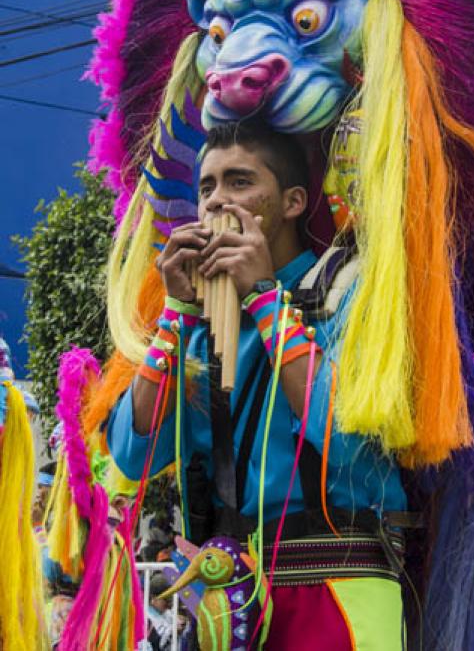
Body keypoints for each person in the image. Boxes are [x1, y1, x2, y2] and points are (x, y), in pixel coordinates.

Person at [106, 121, 408, 650]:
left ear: (293, 202)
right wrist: (175, 311)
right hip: (230, 600)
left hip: (339, 588)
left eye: (240, 182)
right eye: (206, 188)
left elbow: (353, 449)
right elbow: (133, 457)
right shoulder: (197, 324)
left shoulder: (348, 289)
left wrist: (267, 299)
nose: (217, 202)